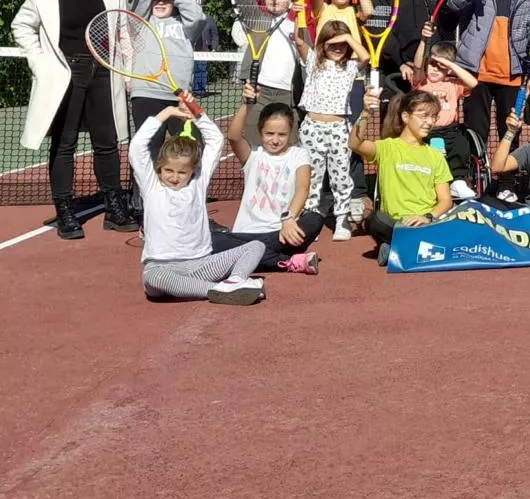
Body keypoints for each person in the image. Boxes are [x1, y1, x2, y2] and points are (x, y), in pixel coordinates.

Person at [11, 0, 136, 238]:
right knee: (64, 145)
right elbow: (21, 27)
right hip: (65, 75)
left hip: (105, 72)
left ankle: (114, 207)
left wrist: (128, 72)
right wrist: (40, 63)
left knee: (107, 143)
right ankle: (65, 211)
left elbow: (122, 30)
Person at [132, 104, 265, 304]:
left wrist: (197, 114)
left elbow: (216, 140)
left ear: (192, 171)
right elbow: (137, 148)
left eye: (182, 172)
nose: (175, 177)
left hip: (200, 265)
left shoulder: (198, 183)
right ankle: (220, 289)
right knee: (154, 278)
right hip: (162, 268)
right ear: (160, 168)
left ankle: (235, 281)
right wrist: (166, 113)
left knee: (256, 246)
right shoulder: (151, 186)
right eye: (169, 171)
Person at [447, 0, 530, 150]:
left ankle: (506, 182)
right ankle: (475, 178)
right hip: (476, 73)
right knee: (474, 134)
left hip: (512, 76)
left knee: (510, 132)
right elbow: (454, 5)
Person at [214, 83, 323, 272]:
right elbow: (233, 136)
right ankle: (284, 261)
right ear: (260, 131)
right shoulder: (253, 156)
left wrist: (289, 219)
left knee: (314, 219)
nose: (275, 139)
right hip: (246, 234)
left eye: (282, 134)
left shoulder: (299, 155)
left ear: (291, 133)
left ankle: (250, 256)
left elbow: (302, 189)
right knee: (212, 239)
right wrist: (247, 104)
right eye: (269, 133)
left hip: (281, 232)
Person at [350, 88, 455, 267]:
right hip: (394, 224)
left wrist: (428, 217)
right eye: (424, 116)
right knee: (375, 220)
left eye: (433, 117)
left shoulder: (435, 156)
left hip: (427, 224)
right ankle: (412, 247)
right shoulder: (387, 148)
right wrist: (366, 112)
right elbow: (355, 143)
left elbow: (446, 200)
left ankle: (397, 248)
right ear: (406, 117)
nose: (429, 122)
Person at [296, 19, 368, 240]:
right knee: (313, 175)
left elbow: (365, 56)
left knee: (340, 175)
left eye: (342, 45)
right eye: (332, 44)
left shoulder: (349, 67)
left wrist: (347, 37)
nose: (338, 49)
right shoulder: (313, 62)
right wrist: (299, 15)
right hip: (312, 128)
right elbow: (298, 40)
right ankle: (310, 216)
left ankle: (341, 217)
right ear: (322, 45)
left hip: (338, 128)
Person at [127, 0, 205, 125]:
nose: (160, 2)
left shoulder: (185, 26)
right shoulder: (141, 22)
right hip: (146, 94)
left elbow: (197, 17)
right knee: (149, 149)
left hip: (180, 96)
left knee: (186, 151)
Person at [229, 0, 301, 147]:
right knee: (255, 146)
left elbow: (308, 59)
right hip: (259, 93)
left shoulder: (298, 26)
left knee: (289, 146)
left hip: (289, 96)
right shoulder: (258, 21)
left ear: (291, 0)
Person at [409, 34, 479, 200]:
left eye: (440, 67)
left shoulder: (453, 84)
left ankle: (458, 182)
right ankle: (425, 182)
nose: (434, 69)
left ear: (448, 69)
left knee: (462, 141)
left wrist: (448, 63)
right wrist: (424, 41)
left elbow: (473, 83)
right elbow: (418, 65)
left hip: (450, 130)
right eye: (432, 65)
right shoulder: (421, 82)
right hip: (425, 130)